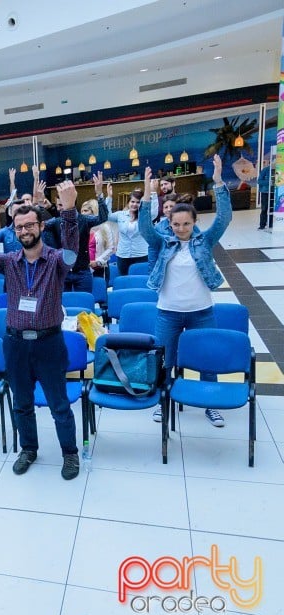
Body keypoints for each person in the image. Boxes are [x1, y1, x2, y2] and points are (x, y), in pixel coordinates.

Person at [0, 181, 82, 480]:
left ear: (41, 226)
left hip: (49, 343)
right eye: (19, 227)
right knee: (22, 403)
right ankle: (28, 448)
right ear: (14, 230)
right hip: (15, 344)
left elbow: (72, 253)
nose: (24, 231)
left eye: (30, 225)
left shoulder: (56, 260)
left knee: (58, 404)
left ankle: (70, 453)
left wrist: (68, 210)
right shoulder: (9, 262)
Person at [139, 160, 231, 426]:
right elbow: (146, 228)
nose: (180, 229)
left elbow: (224, 219)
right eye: (176, 224)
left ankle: (210, 403)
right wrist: (147, 192)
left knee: (207, 359)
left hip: (201, 312)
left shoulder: (205, 240)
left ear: (194, 222)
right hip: (168, 313)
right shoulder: (162, 241)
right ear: (169, 222)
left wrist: (218, 181)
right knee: (164, 361)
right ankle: (163, 401)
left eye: (186, 224)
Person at [106, 185, 149, 276]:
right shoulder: (120, 215)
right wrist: (109, 197)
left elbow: (154, 212)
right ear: (128, 203)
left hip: (141, 254)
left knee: (140, 281)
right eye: (132, 201)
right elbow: (107, 216)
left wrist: (151, 191)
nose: (134, 204)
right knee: (124, 280)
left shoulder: (145, 215)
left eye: (138, 202)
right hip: (123, 255)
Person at [258, 163, 274, 231]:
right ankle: (262, 225)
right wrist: (268, 182)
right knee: (264, 209)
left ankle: (270, 224)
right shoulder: (265, 170)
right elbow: (259, 181)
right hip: (265, 193)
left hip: (274, 193)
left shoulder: (280, 170)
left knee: (272, 209)